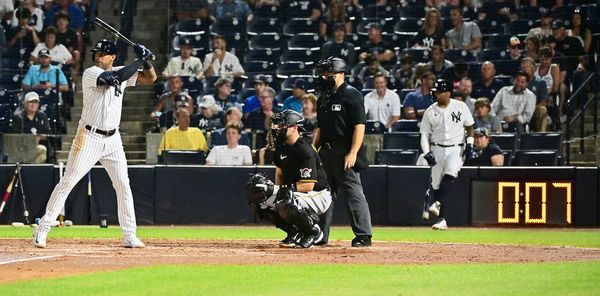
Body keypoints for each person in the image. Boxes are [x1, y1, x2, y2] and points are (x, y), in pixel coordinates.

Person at [33, 39, 157, 248]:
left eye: (103, 54)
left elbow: (151, 78)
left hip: (113, 139)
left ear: (113, 56)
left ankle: (129, 235)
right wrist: (140, 59)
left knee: (123, 185)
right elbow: (114, 78)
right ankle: (43, 228)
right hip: (89, 136)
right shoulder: (91, 73)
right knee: (68, 182)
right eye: (97, 54)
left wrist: (147, 62)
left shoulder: (123, 71)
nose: (98, 57)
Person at [244, 110, 332, 248]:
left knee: (285, 197)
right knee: (259, 197)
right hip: (296, 193)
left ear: (295, 127)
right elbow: (280, 174)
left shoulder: (304, 149)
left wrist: (280, 191)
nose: (278, 129)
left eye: (282, 126)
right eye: (277, 126)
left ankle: (313, 232)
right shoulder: (281, 147)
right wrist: (275, 191)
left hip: (318, 195)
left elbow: (307, 186)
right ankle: (294, 232)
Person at [312, 57, 372, 247]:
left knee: (353, 192)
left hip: (344, 150)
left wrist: (353, 152)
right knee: (323, 194)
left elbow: (359, 126)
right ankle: (321, 234)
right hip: (326, 152)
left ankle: (363, 235)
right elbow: (320, 128)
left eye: (327, 73)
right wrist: (314, 150)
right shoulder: (323, 98)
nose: (323, 77)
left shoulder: (352, 94)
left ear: (339, 74)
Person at [420, 79, 474, 230]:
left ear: (448, 93)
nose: (436, 94)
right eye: (436, 92)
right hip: (437, 148)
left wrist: (469, 144)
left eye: (439, 92)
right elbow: (424, 134)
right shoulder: (430, 111)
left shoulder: (460, 106)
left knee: (450, 173)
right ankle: (442, 220)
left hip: (456, 147)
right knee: (436, 184)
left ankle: (437, 203)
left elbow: (469, 127)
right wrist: (427, 152)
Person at [9, 92, 52, 164]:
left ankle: (36, 172)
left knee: (42, 149)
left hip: (37, 147)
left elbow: (49, 133)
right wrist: (30, 139)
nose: (33, 105)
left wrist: (39, 137)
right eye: (31, 102)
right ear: (25, 104)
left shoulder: (42, 116)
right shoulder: (19, 117)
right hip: (22, 148)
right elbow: (14, 136)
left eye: (35, 102)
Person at [521, 57, 549, 132]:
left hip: (534, 111)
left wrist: (530, 110)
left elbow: (544, 102)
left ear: (534, 68)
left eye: (527, 67)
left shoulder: (541, 83)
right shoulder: (518, 83)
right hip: (520, 112)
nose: (525, 69)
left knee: (542, 110)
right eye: (523, 67)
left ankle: (541, 138)